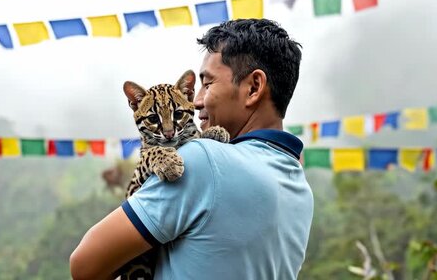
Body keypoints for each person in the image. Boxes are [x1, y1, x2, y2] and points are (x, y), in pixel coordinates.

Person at [69, 18, 314, 280]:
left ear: (253, 87)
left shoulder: (203, 159)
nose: (195, 102)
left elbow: (84, 264)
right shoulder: (299, 186)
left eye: (207, 84)